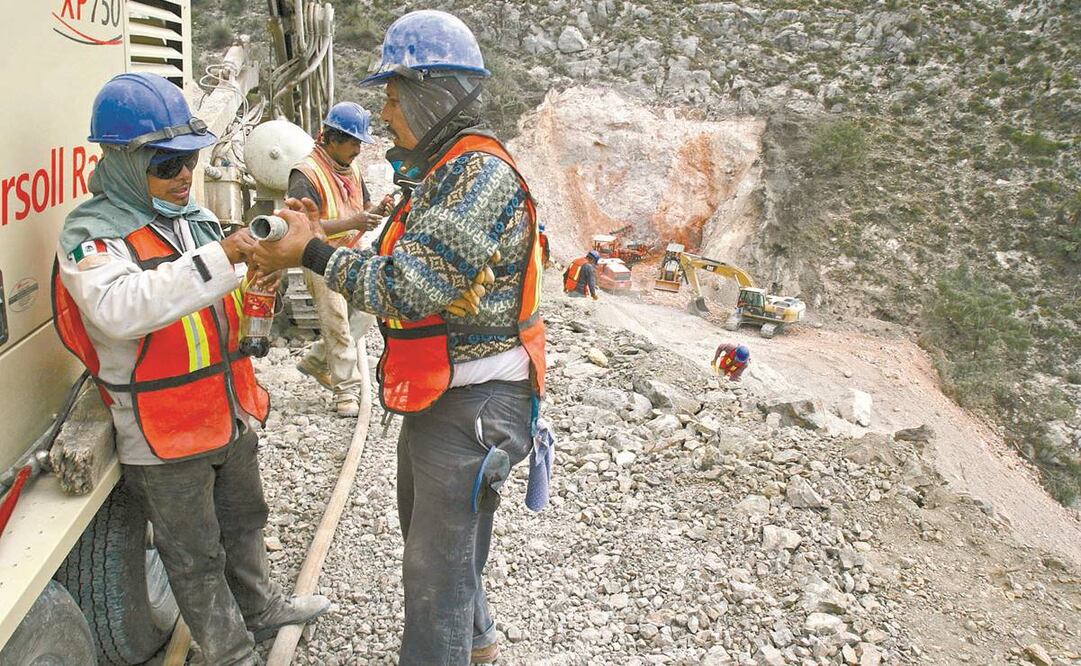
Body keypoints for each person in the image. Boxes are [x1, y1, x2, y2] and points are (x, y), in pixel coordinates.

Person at [251, 10, 546, 664]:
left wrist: (312, 253)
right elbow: (414, 270)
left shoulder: (475, 175)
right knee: (444, 547)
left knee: (432, 578)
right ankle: (479, 645)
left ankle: (451, 647)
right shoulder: (441, 172)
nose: (384, 113)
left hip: (471, 405)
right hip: (446, 395)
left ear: (429, 92)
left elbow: (406, 288)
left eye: (391, 94)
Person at [52, 73, 329, 666]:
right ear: (124, 162)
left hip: (225, 409)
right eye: (167, 165)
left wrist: (267, 264)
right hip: (163, 428)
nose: (184, 177)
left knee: (244, 522)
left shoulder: (189, 217)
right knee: (194, 555)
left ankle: (260, 611)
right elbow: (121, 309)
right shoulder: (92, 233)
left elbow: (224, 289)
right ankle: (231, 652)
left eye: (191, 161)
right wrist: (224, 254)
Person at [289, 101, 391, 417]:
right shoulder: (305, 173)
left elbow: (362, 207)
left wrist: (375, 213)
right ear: (331, 138)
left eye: (360, 142)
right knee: (335, 318)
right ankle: (345, 390)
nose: (358, 149)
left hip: (347, 252)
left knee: (369, 308)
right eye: (353, 141)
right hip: (318, 255)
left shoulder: (351, 168)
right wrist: (354, 222)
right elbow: (301, 226)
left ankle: (318, 360)